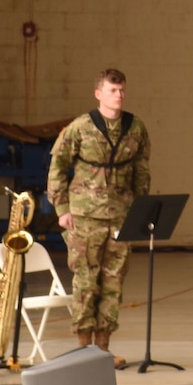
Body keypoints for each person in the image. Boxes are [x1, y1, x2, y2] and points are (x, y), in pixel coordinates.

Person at [49, 68, 152, 366]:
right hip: (85, 215)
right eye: (111, 90)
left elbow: (142, 171)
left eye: (121, 90)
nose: (118, 95)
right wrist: (61, 209)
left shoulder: (136, 128)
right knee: (85, 280)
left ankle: (103, 348)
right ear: (98, 94)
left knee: (113, 281)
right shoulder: (80, 127)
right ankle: (84, 349)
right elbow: (58, 167)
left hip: (121, 215)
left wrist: (141, 210)